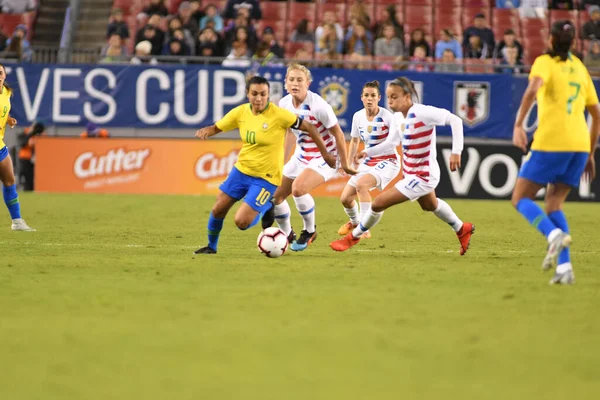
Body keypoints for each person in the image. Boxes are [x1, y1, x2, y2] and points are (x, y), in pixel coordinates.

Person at [192, 76, 336, 255]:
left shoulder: (279, 114)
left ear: (268, 95)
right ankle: (211, 247)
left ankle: (267, 207)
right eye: (254, 94)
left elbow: (310, 128)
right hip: (241, 171)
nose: (259, 98)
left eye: (263, 94)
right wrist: (207, 131)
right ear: (247, 94)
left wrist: (325, 153)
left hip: (265, 178)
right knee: (218, 208)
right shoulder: (241, 113)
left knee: (242, 222)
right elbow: (218, 127)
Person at [330, 77, 474, 254]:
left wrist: (456, 151)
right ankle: (461, 228)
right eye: (389, 97)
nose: (390, 101)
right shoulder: (398, 118)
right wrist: (367, 152)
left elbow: (456, 121)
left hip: (423, 176)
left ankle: (354, 237)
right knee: (430, 205)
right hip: (411, 173)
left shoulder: (423, 112)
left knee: (379, 203)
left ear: (407, 96)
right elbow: (391, 143)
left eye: (394, 97)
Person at [512, 21, 600, 285]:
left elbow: (531, 89)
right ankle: (565, 268)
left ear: (550, 39)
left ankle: (552, 235)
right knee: (554, 204)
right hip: (579, 146)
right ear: (573, 42)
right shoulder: (580, 68)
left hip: (552, 142)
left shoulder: (545, 62)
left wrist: (518, 125)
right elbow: (596, 114)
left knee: (520, 198)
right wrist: (591, 152)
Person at [273, 64, 357, 251]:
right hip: (301, 154)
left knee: (299, 188)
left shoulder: (319, 106)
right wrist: (281, 161)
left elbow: (339, 134)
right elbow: (288, 133)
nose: (295, 83)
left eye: (299, 80)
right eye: (291, 80)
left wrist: (343, 162)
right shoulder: (284, 104)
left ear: (308, 84)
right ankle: (287, 235)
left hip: (325, 156)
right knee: (274, 196)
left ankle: (309, 231)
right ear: (286, 83)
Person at [337, 81, 398, 240]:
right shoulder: (357, 116)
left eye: (373, 96)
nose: (369, 99)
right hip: (368, 160)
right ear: (361, 98)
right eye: (366, 95)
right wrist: (348, 163)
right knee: (345, 199)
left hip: (388, 161)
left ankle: (363, 228)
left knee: (362, 185)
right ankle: (356, 222)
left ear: (379, 98)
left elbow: (395, 141)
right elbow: (355, 141)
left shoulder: (388, 117)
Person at [0, 63, 35, 231]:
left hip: (0, 145)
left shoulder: (7, 92)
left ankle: (17, 221)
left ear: (5, 75)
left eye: (0, 73)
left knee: (9, 181)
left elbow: (3, 111)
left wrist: (9, 120)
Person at [16, 120, 45, 191]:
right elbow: (22, 143)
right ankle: (26, 189)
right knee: (26, 177)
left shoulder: (40, 135)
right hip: (25, 158)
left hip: (37, 159)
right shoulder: (25, 133)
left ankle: (31, 189)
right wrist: (31, 133)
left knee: (33, 178)